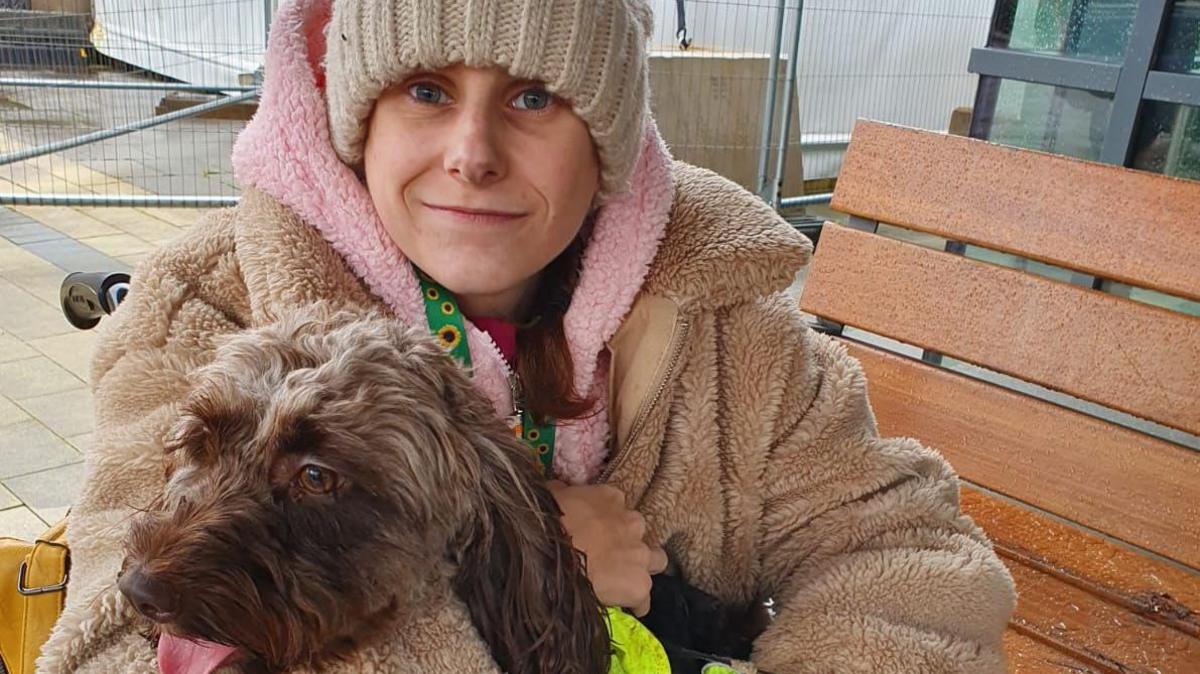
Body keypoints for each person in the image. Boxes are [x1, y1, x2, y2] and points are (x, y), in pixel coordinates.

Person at [37, 0, 1016, 672]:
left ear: (608, 134)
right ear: (355, 118)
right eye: (425, 89)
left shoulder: (732, 324)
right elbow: (112, 636)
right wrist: (514, 569)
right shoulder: (204, 305)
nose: (471, 154)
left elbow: (910, 566)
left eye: (533, 96)